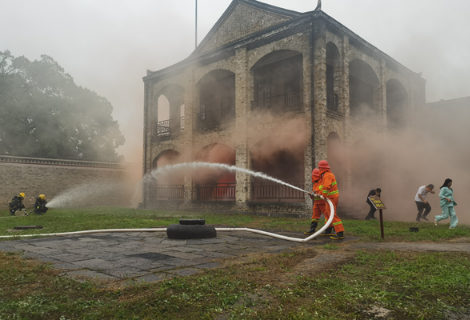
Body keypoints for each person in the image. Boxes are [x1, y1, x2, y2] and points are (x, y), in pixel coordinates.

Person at [317, 160, 344, 240]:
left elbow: (326, 187)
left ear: (322, 168)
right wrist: (318, 192)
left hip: (331, 198)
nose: (319, 170)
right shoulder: (326, 175)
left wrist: (323, 195)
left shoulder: (327, 175)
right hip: (329, 198)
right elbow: (322, 187)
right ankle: (328, 230)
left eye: (319, 168)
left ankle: (339, 232)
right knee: (327, 214)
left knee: (332, 215)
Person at [305, 168, 325, 235]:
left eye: (313, 175)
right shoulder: (315, 184)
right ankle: (312, 229)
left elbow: (322, 192)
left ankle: (332, 230)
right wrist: (311, 194)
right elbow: (314, 193)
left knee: (328, 216)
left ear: (316, 176)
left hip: (323, 203)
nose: (312, 177)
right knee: (315, 216)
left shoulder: (322, 182)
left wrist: (316, 194)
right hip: (316, 203)